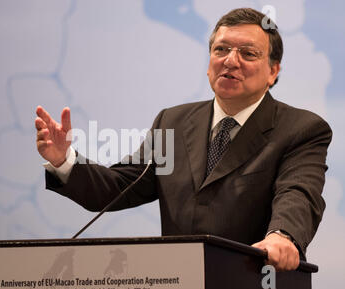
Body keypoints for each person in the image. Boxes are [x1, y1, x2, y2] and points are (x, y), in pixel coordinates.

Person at [35, 8, 332, 271]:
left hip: (252, 282)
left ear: (273, 71)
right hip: (178, 284)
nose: (230, 60)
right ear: (209, 62)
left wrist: (282, 236)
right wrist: (64, 161)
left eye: (248, 53)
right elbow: (119, 187)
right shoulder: (173, 122)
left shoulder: (301, 129)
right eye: (221, 49)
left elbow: (298, 193)